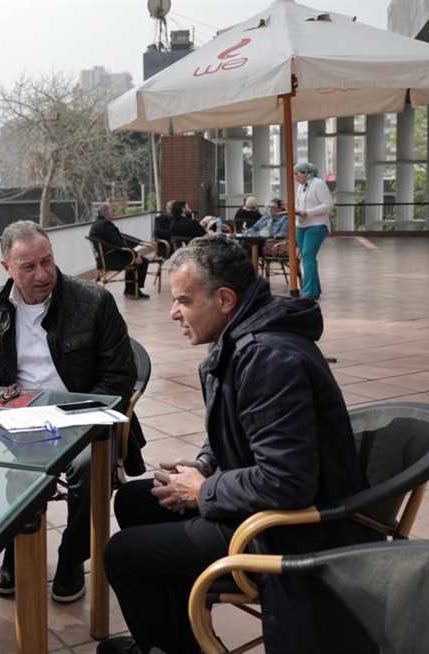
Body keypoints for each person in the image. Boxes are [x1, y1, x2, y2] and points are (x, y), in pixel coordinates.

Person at [99, 237, 373, 654]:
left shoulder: (266, 358)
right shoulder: (243, 336)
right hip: (266, 509)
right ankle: (174, 634)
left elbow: (287, 483)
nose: (173, 312)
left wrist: (203, 491)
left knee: (123, 554)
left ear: (224, 299)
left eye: (183, 301)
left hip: (288, 530)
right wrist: (205, 465)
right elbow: (243, 430)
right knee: (136, 500)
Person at [0, 220, 143, 604]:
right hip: (22, 418)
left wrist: (68, 416)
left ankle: (71, 556)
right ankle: (16, 547)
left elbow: (119, 378)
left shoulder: (94, 301)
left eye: (47, 261)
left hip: (83, 417)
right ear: (7, 268)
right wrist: (4, 407)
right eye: (28, 267)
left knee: (86, 466)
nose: (43, 274)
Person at [88, 202, 153, 299]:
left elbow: (116, 242)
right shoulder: (106, 225)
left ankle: (130, 290)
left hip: (104, 258)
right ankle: (133, 291)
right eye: (112, 211)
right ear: (106, 213)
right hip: (111, 259)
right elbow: (119, 243)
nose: (114, 213)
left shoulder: (97, 223)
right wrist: (135, 254)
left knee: (131, 258)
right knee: (142, 261)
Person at [293, 161, 333, 299]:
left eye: (297, 173)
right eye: (295, 174)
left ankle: (308, 292)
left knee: (308, 255)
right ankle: (314, 290)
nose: (295, 176)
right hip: (301, 225)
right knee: (306, 258)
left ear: (306, 173)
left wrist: (308, 212)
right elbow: (298, 204)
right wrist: (296, 211)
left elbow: (327, 205)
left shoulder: (318, 184)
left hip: (317, 225)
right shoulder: (300, 187)